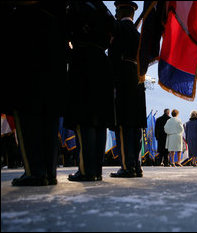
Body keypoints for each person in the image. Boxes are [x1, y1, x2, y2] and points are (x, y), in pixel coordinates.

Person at [3, 2, 67, 186]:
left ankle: (35, 171)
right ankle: (49, 171)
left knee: (26, 106)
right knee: (50, 111)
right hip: (54, 46)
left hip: (24, 36)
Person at [66, 1, 115, 182]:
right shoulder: (103, 9)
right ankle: (97, 170)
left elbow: (67, 29)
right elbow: (113, 33)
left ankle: (86, 170)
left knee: (84, 118)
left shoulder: (77, 6)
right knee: (99, 121)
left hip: (82, 59)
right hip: (102, 62)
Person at [108, 1, 147, 178]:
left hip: (122, 79)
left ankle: (127, 166)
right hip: (138, 81)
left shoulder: (117, 30)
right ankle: (137, 166)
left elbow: (113, 57)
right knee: (136, 126)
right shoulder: (139, 35)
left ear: (119, 12)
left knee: (124, 125)